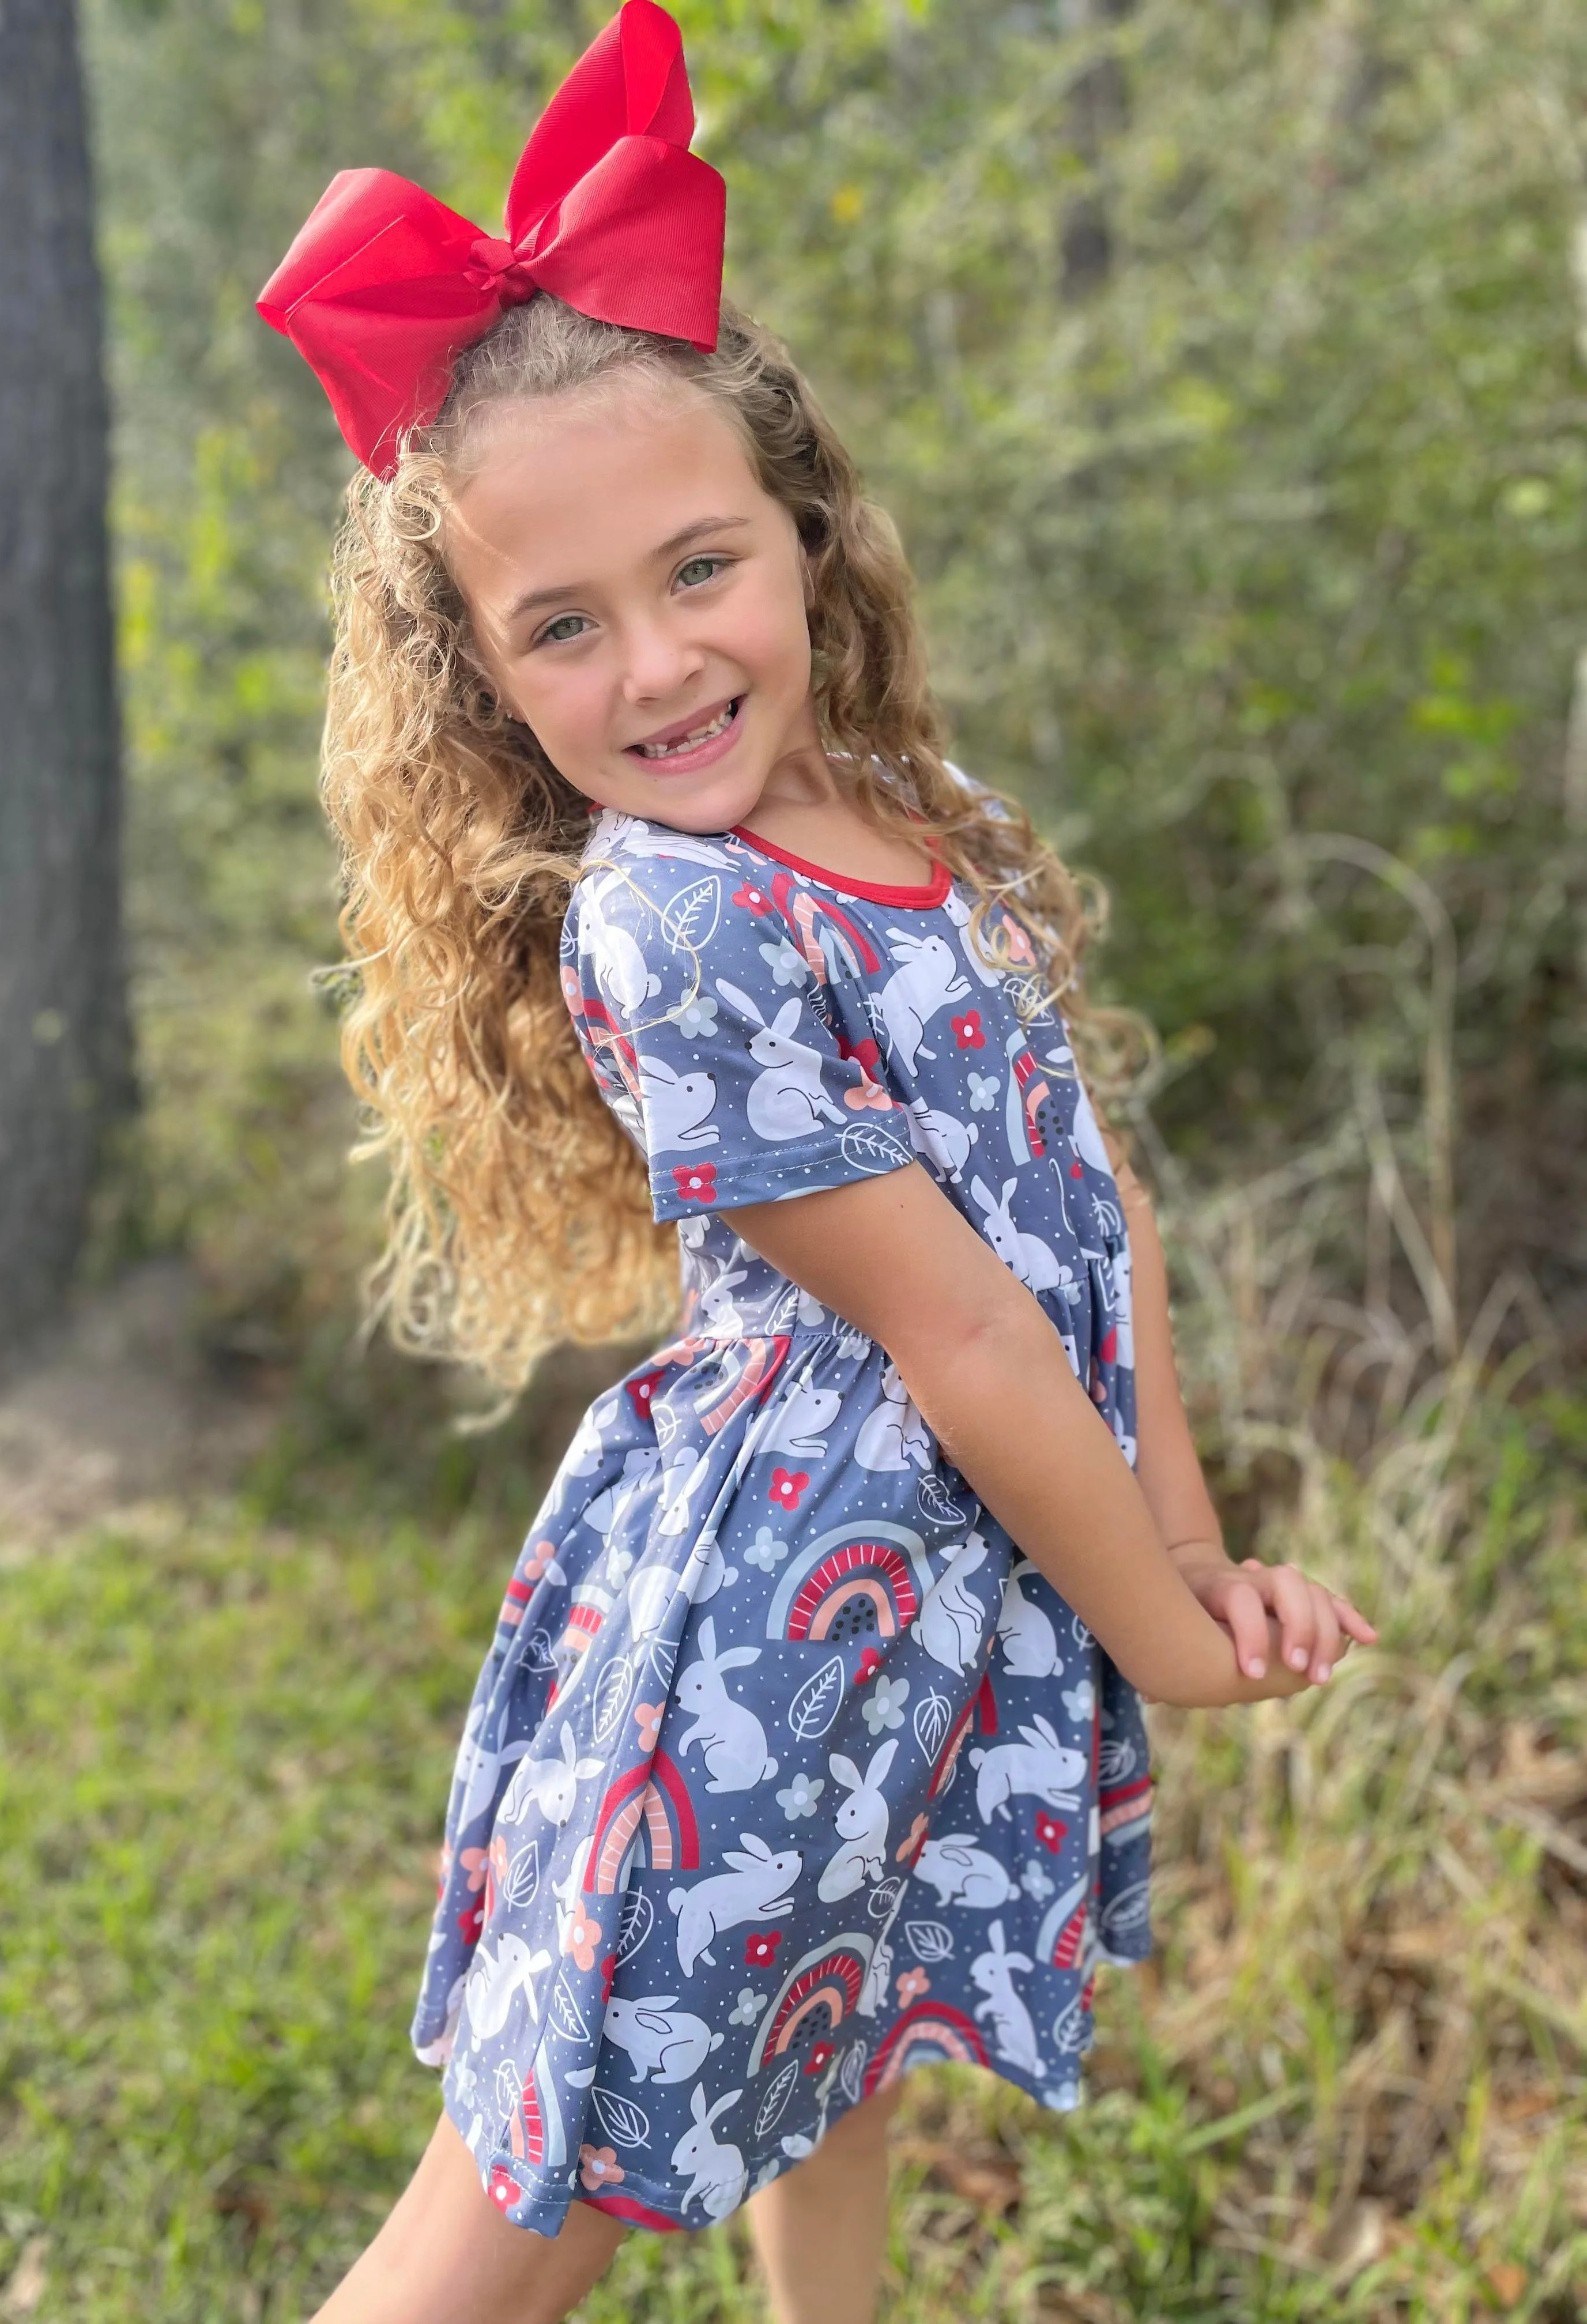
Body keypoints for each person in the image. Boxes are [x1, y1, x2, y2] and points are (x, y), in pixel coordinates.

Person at [257, 9, 1375, 2319]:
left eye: (700, 570)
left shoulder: (909, 816)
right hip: (767, 1647)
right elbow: (958, 1320)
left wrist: (1177, 1529)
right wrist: (1157, 1630)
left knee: (829, 2035)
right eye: (561, 626)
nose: (659, 664)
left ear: (805, 534)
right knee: (533, 2192)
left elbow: (1090, 1208)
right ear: (480, 677)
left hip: (922, 1614)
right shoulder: (676, 922)